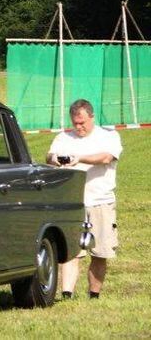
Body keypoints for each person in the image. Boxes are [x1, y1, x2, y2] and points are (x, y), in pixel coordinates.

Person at [47, 98, 123, 300]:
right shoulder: (64, 137)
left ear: (92, 117)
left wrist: (79, 158)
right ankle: (66, 295)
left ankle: (93, 295)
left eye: (83, 123)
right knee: (72, 251)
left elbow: (107, 158)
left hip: (100, 200)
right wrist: (55, 159)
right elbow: (49, 157)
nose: (78, 127)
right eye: (75, 123)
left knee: (100, 252)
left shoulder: (109, 135)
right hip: (73, 202)